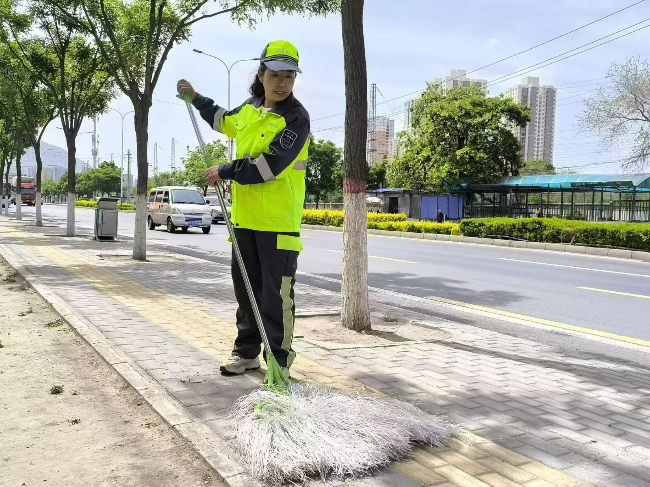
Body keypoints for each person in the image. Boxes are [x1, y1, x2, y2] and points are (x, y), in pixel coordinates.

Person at [177, 40, 310, 381]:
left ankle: (279, 361)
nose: (282, 83)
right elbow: (222, 119)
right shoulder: (250, 109)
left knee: (276, 295)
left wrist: (225, 170)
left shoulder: (296, 119)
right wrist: (196, 98)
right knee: (246, 290)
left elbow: (268, 168)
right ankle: (246, 352)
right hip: (243, 220)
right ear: (262, 75)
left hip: (278, 224)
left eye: (289, 77)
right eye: (275, 75)